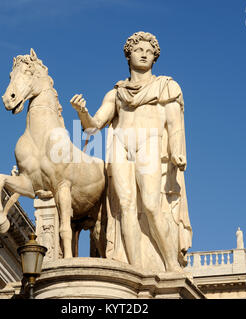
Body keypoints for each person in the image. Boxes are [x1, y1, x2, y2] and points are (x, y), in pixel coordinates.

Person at [70, 31, 192, 272]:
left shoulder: (166, 86)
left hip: (150, 142)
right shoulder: (116, 93)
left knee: (150, 203)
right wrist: (81, 112)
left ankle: (170, 263)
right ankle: (135, 269)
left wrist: (178, 151)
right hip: (121, 145)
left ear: (155, 57)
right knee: (125, 206)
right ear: (129, 56)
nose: (145, 54)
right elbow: (93, 127)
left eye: (149, 51)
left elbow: (174, 123)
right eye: (139, 50)